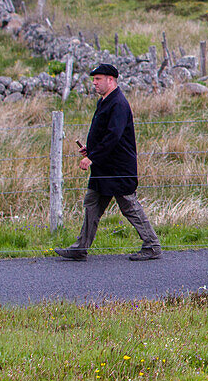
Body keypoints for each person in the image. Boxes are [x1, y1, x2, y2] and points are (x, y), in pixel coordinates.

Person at [54, 64, 161, 261]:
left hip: (118, 167)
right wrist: (91, 149)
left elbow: (114, 136)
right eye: (94, 79)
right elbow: (106, 135)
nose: (94, 83)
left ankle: (152, 246)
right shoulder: (105, 101)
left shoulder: (118, 103)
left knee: (129, 205)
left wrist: (92, 157)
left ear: (110, 80)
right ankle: (80, 248)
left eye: (98, 79)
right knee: (92, 204)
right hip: (104, 167)